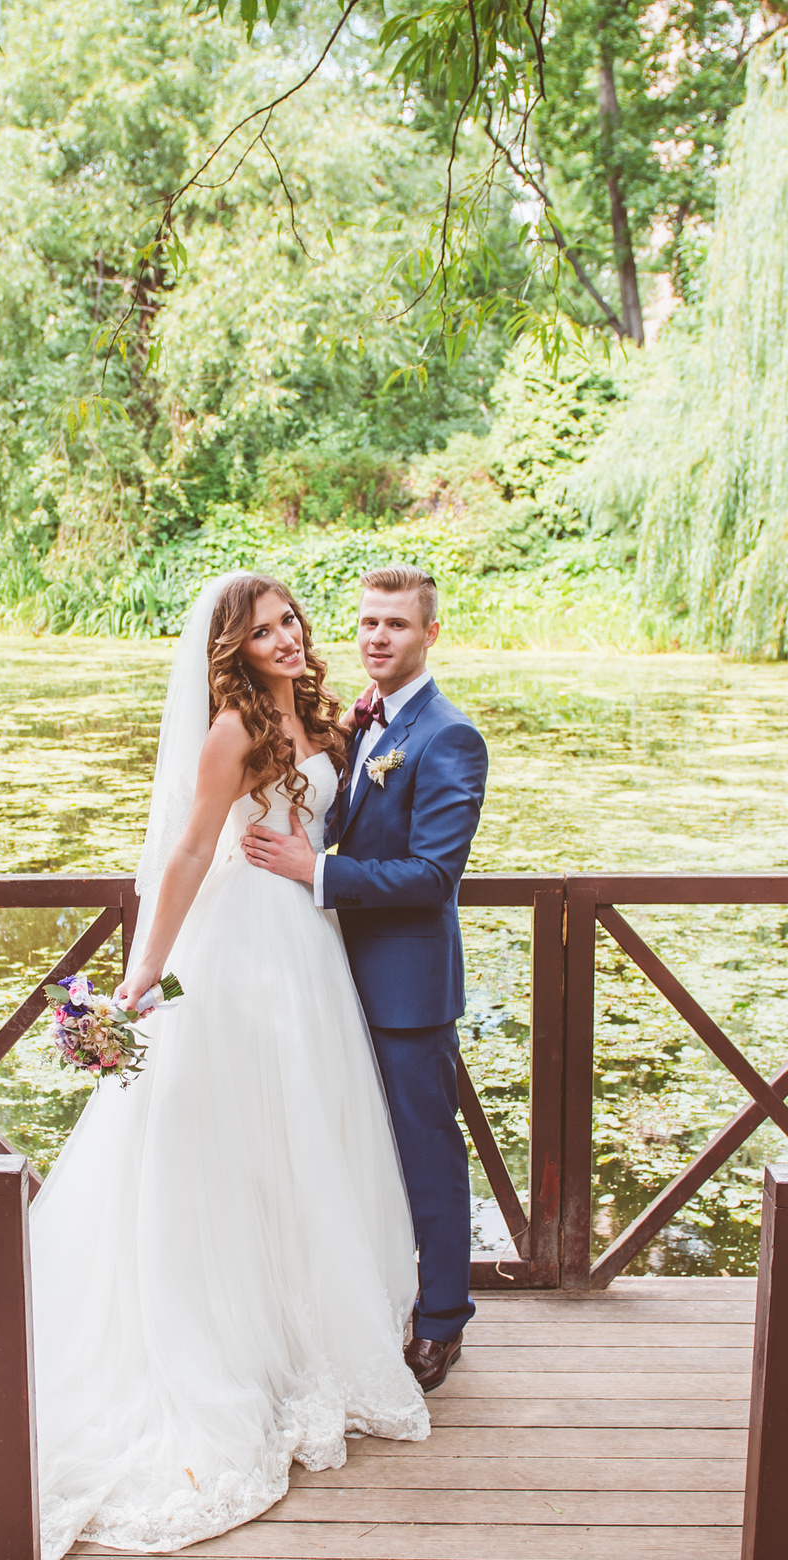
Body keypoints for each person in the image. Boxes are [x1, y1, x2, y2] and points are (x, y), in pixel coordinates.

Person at [0, 571, 433, 1560]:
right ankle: (219, 1353)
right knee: (221, 1148)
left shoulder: (325, 725)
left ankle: (292, 1339)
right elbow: (185, 856)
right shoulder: (229, 735)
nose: (289, 638)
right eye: (263, 630)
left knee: (298, 1147)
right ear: (231, 648)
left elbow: (324, 832)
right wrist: (139, 982)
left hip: (306, 952)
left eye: (292, 619)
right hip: (236, 956)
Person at [241, 565, 488, 1391]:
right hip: (332, 974)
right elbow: (335, 815)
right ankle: (370, 1299)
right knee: (351, 1151)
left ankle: (444, 1321)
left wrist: (317, 873)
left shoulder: (451, 735)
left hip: (408, 987)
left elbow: (431, 875)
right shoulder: (369, 723)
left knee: (427, 1155)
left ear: (430, 635)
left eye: (397, 625)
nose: (378, 637)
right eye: (367, 623)